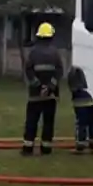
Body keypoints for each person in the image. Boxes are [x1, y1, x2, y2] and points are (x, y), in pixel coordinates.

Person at [21, 22, 64, 156]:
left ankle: (28, 148)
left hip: (35, 95)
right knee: (48, 123)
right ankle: (46, 148)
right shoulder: (55, 53)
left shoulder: (33, 53)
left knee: (31, 121)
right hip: (50, 96)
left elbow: (28, 70)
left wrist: (38, 86)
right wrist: (49, 87)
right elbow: (59, 71)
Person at [67, 65, 93, 154]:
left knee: (81, 123)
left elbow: (72, 83)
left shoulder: (75, 68)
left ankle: (80, 144)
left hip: (81, 101)